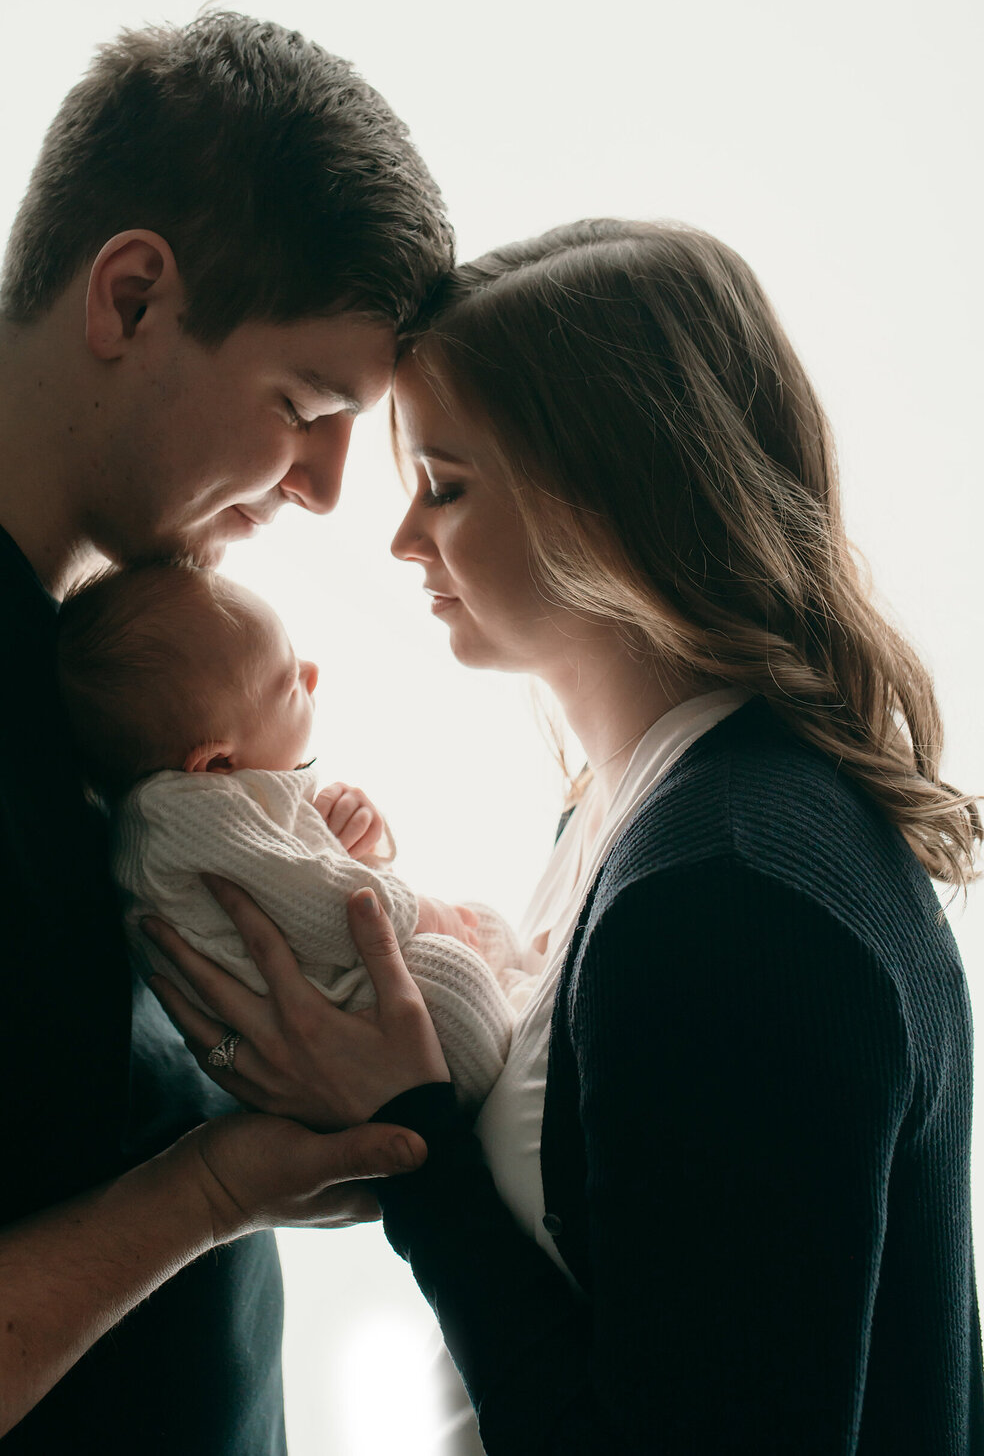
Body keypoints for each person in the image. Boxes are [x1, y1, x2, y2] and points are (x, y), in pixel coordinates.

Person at [145, 219, 984, 1454]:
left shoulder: (728, 895)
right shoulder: (632, 805)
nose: (401, 539)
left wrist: (416, 1137)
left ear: (612, 498)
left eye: (446, 485)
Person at [0, 12, 455, 1455]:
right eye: (304, 407)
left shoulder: (82, 650)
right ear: (133, 296)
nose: (333, 493)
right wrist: (216, 1191)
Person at [56, 558, 519, 1105]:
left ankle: (513, 980)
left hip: (328, 1015)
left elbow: (299, 879)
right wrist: (417, 909)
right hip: (356, 1031)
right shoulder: (182, 816)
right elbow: (327, 912)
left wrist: (359, 848)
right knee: (453, 968)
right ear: (217, 765)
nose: (312, 672)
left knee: (479, 925)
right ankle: (510, 999)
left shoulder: (195, 802)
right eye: (288, 682)